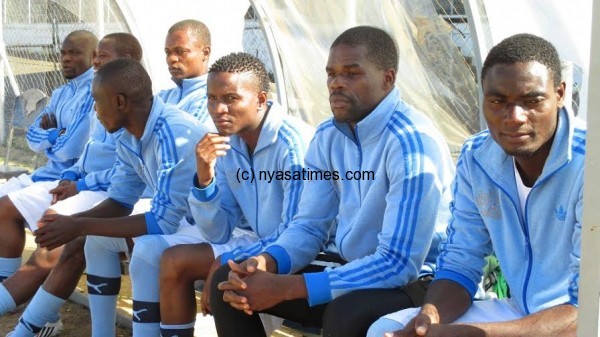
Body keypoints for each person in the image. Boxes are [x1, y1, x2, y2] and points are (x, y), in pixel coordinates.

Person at [209, 25, 455, 337]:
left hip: (420, 282)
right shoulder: (328, 135)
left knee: (345, 313)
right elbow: (310, 225)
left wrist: (289, 287)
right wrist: (267, 261)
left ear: (388, 79)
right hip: (352, 267)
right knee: (229, 284)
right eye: (331, 74)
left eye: (352, 73)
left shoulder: (411, 143)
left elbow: (398, 263)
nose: (337, 83)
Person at [367, 33, 581, 337]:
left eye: (531, 101)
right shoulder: (477, 156)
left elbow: (587, 308)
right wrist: (429, 319)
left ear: (559, 94)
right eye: (497, 101)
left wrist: (471, 334)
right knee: (386, 329)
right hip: (521, 310)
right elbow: (460, 261)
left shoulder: (590, 164)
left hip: (576, 323)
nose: (514, 117)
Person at [7, 59, 207, 337]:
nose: (95, 112)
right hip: (189, 222)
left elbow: (163, 222)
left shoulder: (173, 133)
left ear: (120, 102)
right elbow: (121, 202)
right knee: (95, 242)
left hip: (218, 227)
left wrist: (79, 225)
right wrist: (71, 224)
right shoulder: (129, 135)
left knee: (146, 250)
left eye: (97, 102)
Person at [158, 52, 315, 337]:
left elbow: (298, 233)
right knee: (185, 263)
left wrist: (231, 258)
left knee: (227, 280)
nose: (218, 109)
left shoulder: (292, 144)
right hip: (269, 248)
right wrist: (204, 178)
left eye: (230, 98)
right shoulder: (228, 144)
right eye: (212, 98)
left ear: (261, 99)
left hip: (313, 255)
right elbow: (218, 232)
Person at [0, 32, 142, 331]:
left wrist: (78, 181)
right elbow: (42, 140)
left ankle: (23, 310)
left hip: (107, 191)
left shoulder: (135, 106)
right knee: (8, 208)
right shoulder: (90, 94)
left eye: (101, 56)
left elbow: (81, 152)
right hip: (77, 180)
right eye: (97, 56)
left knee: (60, 228)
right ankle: (23, 303)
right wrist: (70, 175)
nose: (96, 62)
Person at [159, 19, 213, 126]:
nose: (171, 58)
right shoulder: (163, 97)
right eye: (167, 52)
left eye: (180, 51)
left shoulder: (210, 98)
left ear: (205, 53)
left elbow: (186, 141)